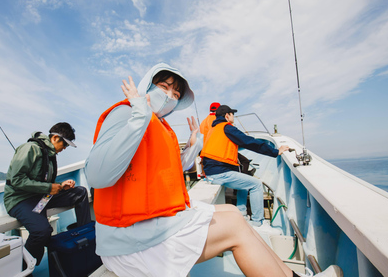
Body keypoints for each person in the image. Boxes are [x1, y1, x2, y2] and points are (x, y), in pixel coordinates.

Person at [85, 63, 342, 277]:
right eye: (163, 87)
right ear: (146, 87)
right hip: (127, 242)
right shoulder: (126, 114)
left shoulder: (159, 127)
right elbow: (97, 175)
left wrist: (193, 145)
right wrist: (139, 113)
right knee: (235, 228)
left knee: (231, 212)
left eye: (175, 94)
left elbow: (170, 170)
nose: (169, 96)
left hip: (147, 227)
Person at [4, 122, 91, 265]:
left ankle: (84, 237)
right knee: (42, 231)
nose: (65, 148)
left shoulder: (50, 154)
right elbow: (17, 180)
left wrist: (61, 186)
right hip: (20, 200)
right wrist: (48, 188)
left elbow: (43, 181)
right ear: (55, 138)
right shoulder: (29, 149)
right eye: (65, 144)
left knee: (80, 192)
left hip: (40, 197)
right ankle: (25, 267)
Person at [201, 105, 288, 227]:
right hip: (220, 173)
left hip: (211, 172)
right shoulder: (227, 128)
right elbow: (248, 141)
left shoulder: (213, 129)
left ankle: (241, 214)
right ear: (227, 116)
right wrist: (275, 151)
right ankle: (257, 222)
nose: (233, 117)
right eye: (232, 114)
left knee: (244, 183)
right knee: (256, 184)